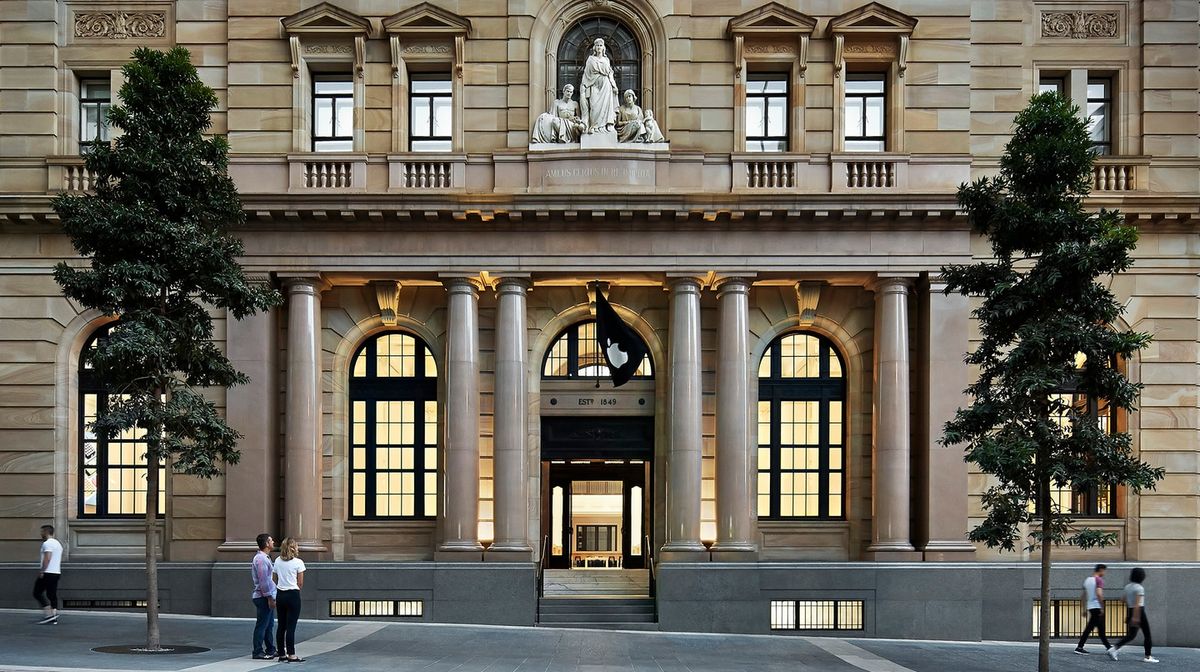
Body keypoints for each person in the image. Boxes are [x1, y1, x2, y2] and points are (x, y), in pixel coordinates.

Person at [1112, 567, 1158, 663]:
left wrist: (1131, 609)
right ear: (1141, 577)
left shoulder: (1127, 587)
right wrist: (1135, 617)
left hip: (1130, 609)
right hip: (1139, 612)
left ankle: (1114, 648)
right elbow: (1137, 604)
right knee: (1147, 634)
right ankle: (1147, 656)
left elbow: (1122, 600)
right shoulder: (1139, 588)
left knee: (1131, 635)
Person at [272, 537, 306, 663]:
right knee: (291, 626)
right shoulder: (298, 562)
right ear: (294, 547)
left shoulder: (277, 561)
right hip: (293, 594)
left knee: (281, 626)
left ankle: (281, 654)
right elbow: (300, 583)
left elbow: (274, 578)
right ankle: (291, 654)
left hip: (280, 594)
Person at [579, 38, 617, 134]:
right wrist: (583, 85)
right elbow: (586, 73)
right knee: (594, 106)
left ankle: (606, 126)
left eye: (601, 45)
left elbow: (610, 73)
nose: (599, 47)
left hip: (606, 85)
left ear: (603, 47)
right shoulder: (590, 59)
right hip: (593, 85)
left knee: (606, 106)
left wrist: (613, 85)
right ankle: (594, 126)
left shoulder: (606, 60)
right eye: (597, 45)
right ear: (594, 48)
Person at [1075, 563, 1112, 656]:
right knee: (1093, 628)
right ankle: (1109, 648)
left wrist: (1084, 609)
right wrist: (1102, 607)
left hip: (1090, 607)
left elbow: (1083, 596)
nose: (1104, 573)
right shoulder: (1099, 580)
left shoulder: (1087, 580)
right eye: (1104, 571)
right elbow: (1099, 594)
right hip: (1097, 606)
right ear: (1101, 570)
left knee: (1096, 628)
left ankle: (1109, 648)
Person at [250, 533, 277, 660]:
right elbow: (263, 581)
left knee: (269, 624)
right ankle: (257, 651)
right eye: (271, 540)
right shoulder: (261, 559)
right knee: (262, 625)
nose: (273, 542)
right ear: (266, 544)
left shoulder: (265, 558)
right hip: (263, 597)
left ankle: (271, 648)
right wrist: (269, 598)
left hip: (265, 596)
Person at [33, 524, 63, 625]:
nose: (40, 534)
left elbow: (47, 558)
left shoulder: (47, 544)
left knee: (37, 593)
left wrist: (42, 571)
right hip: (56, 572)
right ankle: (54, 617)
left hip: (47, 572)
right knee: (52, 595)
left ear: (46, 532)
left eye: (42, 532)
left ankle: (49, 614)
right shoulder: (58, 544)